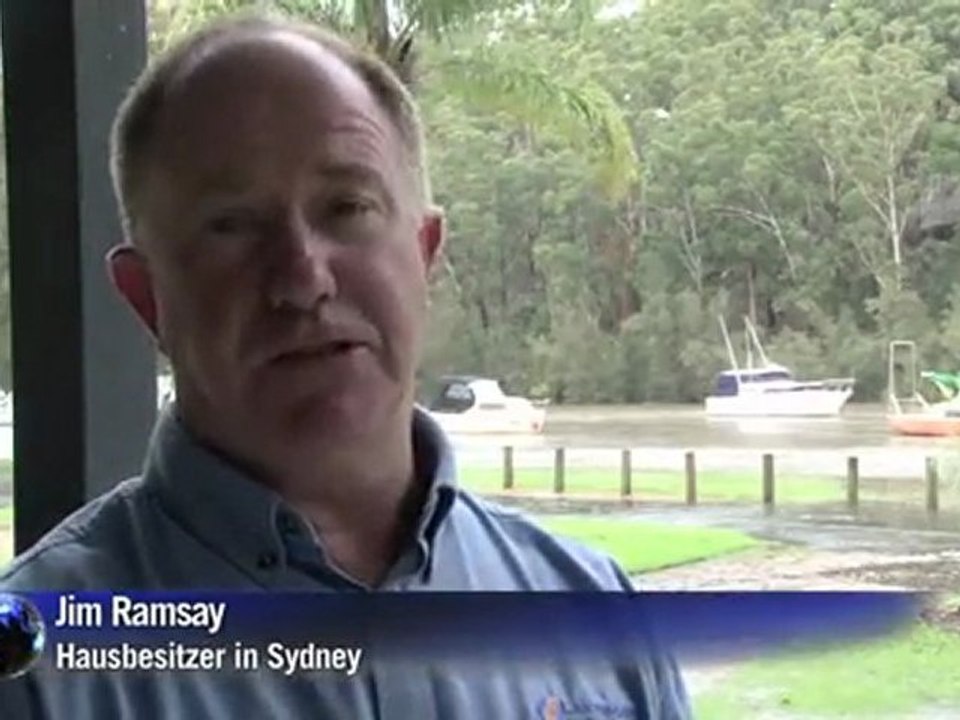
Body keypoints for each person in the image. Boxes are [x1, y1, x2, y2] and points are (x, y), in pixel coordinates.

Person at [0, 13, 690, 718]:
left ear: (424, 254)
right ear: (147, 298)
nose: (302, 277)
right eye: (232, 225)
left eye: (347, 207)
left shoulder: (595, 615)